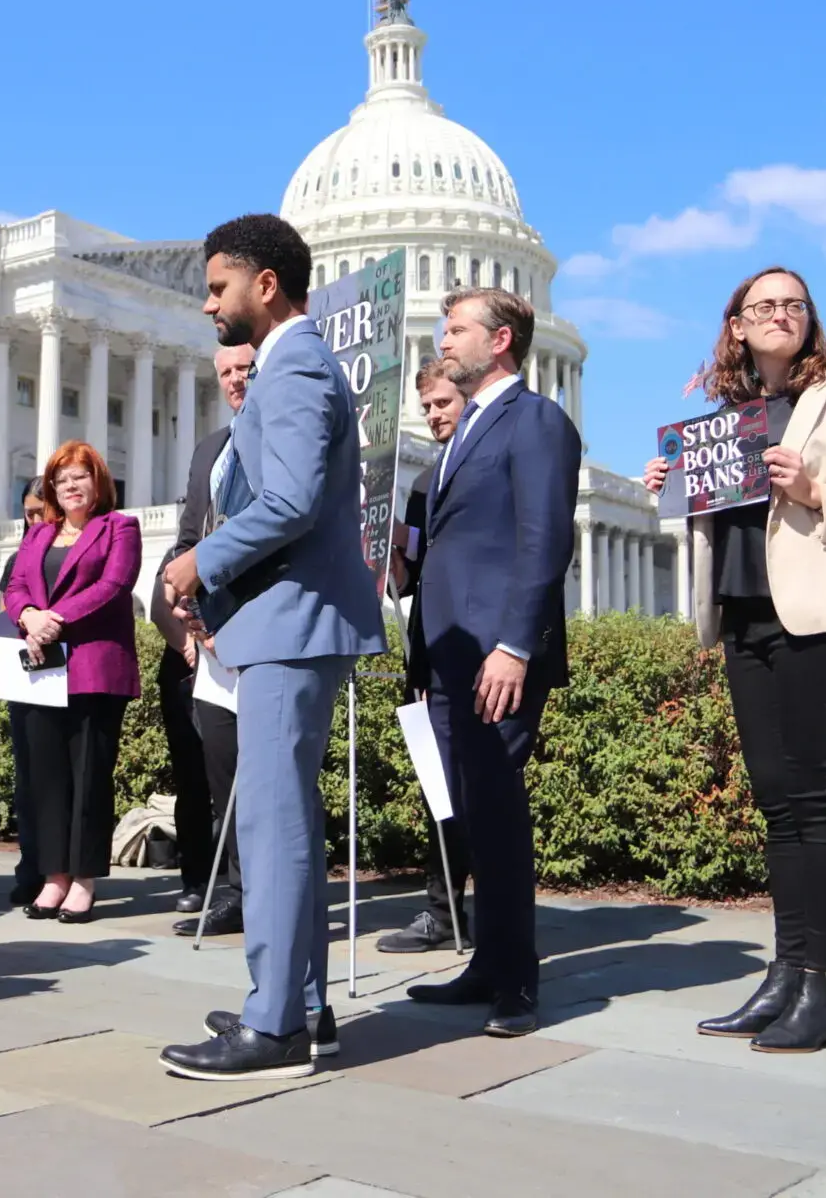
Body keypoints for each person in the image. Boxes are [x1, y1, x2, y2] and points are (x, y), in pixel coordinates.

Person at [157, 214, 385, 1081]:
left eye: (219, 287)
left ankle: (275, 1024)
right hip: (286, 619)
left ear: (267, 284)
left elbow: (287, 502)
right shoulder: (298, 361)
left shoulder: (291, 363)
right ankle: (304, 1005)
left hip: (292, 621)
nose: (210, 304)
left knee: (271, 817)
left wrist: (197, 561)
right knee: (280, 814)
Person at [642, 268, 826, 1054]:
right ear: (736, 326)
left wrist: (817, 493)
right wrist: (671, 490)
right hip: (744, 617)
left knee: (817, 798)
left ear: (809, 322)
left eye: (794, 305)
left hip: (817, 615)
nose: (780, 314)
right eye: (763, 306)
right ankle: (785, 972)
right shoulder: (728, 419)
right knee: (777, 803)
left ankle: (825, 987)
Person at [402, 287, 581, 1039]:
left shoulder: (534, 420)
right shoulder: (462, 434)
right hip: (446, 656)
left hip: (494, 655)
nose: (445, 341)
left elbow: (545, 539)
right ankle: (484, 962)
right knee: (468, 814)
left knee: (498, 815)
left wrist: (514, 644)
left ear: (501, 340)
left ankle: (517, 983)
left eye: (456, 329)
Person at [5, 440, 141, 924]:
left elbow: (113, 585)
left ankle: (84, 879)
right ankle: (53, 875)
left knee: (88, 777)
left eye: (79, 476)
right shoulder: (39, 535)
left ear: (97, 481)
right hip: (44, 669)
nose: (70, 486)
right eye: (61, 480)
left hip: (96, 668)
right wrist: (28, 615)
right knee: (47, 777)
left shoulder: (119, 527)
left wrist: (54, 618)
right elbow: (16, 586)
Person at [153, 342, 254, 936]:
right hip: (210, 638)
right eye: (226, 373)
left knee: (267, 774)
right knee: (220, 771)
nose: (236, 380)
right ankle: (236, 891)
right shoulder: (209, 449)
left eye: (246, 369)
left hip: (261, 627)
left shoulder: (279, 439)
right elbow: (191, 533)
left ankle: (275, 895)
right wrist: (182, 598)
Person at [377, 359, 474, 953]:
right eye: (428, 407)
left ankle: (479, 912)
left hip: (483, 652)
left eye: (443, 403)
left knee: (480, 788)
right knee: (438, 790)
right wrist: (390, 555)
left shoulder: (487, 468)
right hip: (431, 656)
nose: (435, 416)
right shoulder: (421, 484)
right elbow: (411, 582)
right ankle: (442, 910)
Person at [0, 477, 48, 905]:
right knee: (28, 777)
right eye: (28, 512)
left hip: (63, 677)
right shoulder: (17, 559)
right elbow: (3, 612)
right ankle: (30, 865)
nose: (33, 520)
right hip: (24, 679)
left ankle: (57, 868)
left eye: (39, 511)